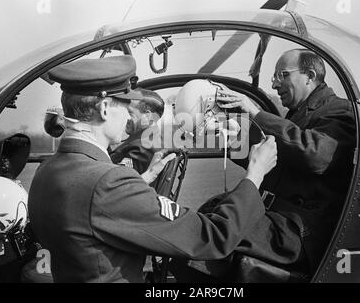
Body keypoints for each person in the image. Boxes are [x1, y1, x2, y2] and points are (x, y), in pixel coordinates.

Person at [28, 55, 278, 283]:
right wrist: (254, 174)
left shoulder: (47, 170)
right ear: (104, 109)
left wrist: (144, 178)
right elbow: (211, 238)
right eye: (124, 106)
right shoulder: (109, 182)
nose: (128, 116)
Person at [214, 48, 357, 278]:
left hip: (299, 231)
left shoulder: (340, 111)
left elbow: (317, 154)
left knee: (213, 232)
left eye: (282, 75)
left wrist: (255, 112)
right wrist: (234, 141)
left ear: (310, 75)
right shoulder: (298, 115)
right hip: (279, 219)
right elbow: (276, 162)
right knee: (213, 212)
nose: (274, 85)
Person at [110, 88, 164, 174]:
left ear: (147, 116)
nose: (124, 117)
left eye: (129, 112)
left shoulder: (143, 148)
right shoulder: (147, 140)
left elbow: (117, 180)